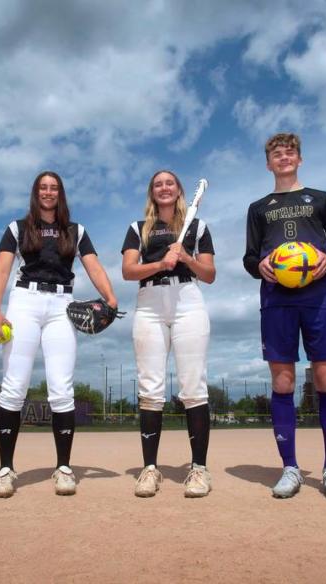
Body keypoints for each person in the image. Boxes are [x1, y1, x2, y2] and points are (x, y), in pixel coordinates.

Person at [0, 171, 118, 497]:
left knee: (61, 388)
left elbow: (93, 266)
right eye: (43, 188)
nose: (48, 192)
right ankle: (5, 470)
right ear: (36, 193)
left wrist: (111, 298)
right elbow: (2, 269)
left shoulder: (76, 230)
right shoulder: (17, 228)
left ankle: (63, 468)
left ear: (60, 194)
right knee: (14, 386)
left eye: (54, 188)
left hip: (62, 303)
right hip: (24, 302)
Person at [243, 133, 326, 501]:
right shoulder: (259, 207)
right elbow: (248, 259)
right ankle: (290, 468)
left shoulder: (321, 199)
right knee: (283, 381)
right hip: (276, 298)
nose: (284, 157)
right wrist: (259, 265)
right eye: (277, 153)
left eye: (290, 152)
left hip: (319, 295)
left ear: (300, 159)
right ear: (268, 163)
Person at [121, 170, 215, 498]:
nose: (164, 187)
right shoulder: (137, 229)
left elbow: (210, 273)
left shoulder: (198, 227)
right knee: (150, 388)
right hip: (149, 302)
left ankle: (199, 469)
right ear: (152, 192)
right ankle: (150, 469)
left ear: (179, 190)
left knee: (193, 386)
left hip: (188, 299)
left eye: (170, 183)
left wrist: (185, 256)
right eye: (158, 184)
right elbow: (129, 271)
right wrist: (162, 263)